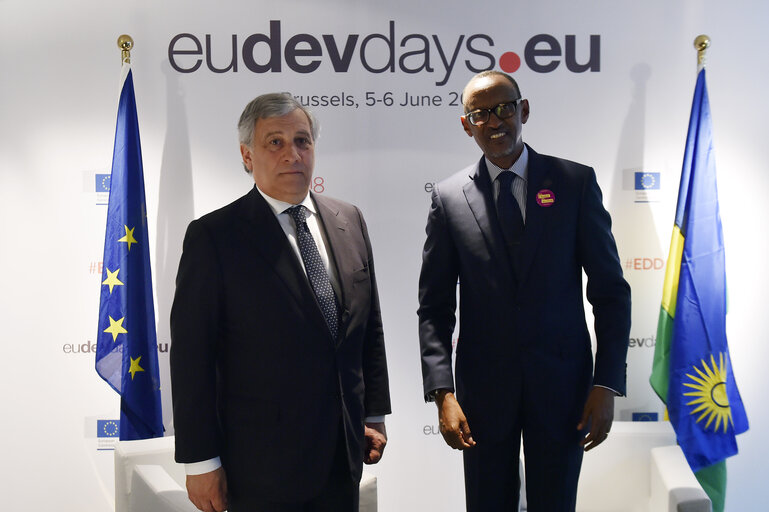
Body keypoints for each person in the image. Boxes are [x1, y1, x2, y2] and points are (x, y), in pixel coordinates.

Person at [418, 71, 631, 511]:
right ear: (466, 124)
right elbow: (434, 309)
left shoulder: (574, 184)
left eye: (504, 108)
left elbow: (610, 291)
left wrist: (606, 382)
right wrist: (443, 392)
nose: (495, 122)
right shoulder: (448, 198)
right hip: (481, 394)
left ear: (524, 110)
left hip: (564, 387)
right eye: (481, 114)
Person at [170, 93, 391, 512]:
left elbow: (369, 327)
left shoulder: (351, 220)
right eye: (275, 142)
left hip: (343, 458)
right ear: (246, 156)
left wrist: (373, 413)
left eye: (302, 141)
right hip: (259, 469)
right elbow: (191, 358)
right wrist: (200, 461)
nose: (292, 154)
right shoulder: (214, 237)